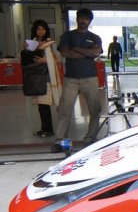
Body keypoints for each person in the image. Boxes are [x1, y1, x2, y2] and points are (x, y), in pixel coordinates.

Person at [52, 8, 103, 152]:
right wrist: (87, 52)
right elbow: (64, 52)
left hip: (90, 77)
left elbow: (96, 52)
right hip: (71, 79)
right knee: (65, 110)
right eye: (81, 18)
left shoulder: (95, 37)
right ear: (77, 19)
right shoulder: (67, 35)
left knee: (95, 109)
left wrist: (76, 49)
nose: (83, 21)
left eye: (86, 19)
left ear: (90, 21)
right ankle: (60, 141)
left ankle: (90, 138)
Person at [20, 20, 62, 138]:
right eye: (38, 29)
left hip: (47, 77)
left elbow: (59, 59)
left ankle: (48, 130)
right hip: (35, 77)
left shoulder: (50, 43)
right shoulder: (31, 43)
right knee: (40, 105)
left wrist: (45, 60)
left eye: (43, 29)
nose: (41, 31)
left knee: (44, 105)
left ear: (46, 30)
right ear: (35, 30)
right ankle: (44, 128)